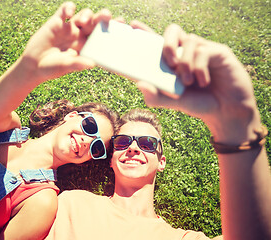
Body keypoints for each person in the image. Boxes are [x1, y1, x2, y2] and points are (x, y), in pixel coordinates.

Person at [45, 18, 271, 240]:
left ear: (161, 161)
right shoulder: (69, 203)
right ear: (111, 158)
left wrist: (237, 125)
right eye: (123, 142)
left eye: (147, 144)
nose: (133, 148)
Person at [0, 3, 118, 240]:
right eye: (90, 127)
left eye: (96, 147)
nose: (86, 141)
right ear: (72, 116)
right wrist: (29, 68)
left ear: (86, 160)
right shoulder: (6, 129)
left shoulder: (42, 201)